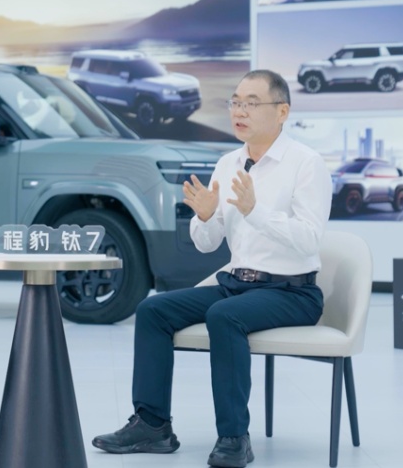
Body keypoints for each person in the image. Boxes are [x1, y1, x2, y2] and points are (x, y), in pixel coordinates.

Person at [92, 70, 332, 468]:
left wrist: (256, 211)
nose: (240, 111)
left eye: (251, 103)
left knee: (225, 315)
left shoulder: (306, 164)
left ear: (282, 111)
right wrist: (204, 217)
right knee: (152, 310)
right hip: (237, 284)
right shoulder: (228, 163)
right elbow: (208, 243)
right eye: (235, 102)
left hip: (292, 292)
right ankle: (152, 426)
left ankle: (234, 437)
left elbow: (309, 239)